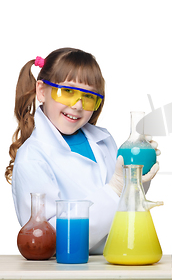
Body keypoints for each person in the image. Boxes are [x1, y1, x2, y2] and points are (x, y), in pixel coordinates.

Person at [6, 48, 160, 254]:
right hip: (70, 269)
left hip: (119, 259)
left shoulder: (104, 141)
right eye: (68, 92)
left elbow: (124, 210)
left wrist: (136, 181)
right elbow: (51, 240)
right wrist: (116, 188)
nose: (78, 105)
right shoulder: (32, 157)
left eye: (88, 97)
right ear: (42, 91)